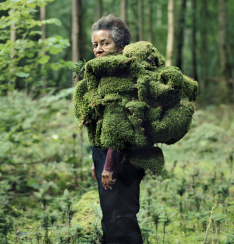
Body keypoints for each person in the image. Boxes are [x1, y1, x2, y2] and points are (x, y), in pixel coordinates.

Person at [90, 14, 145, 244]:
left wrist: (109, 164)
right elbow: (102, 124)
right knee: (111, 218)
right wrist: (97, 161)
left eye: (105, 43)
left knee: (121, 221)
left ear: (121, 48)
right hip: (106, 155)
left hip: (122, 158)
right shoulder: (104, 77)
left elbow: (120, 123)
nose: (99, 49)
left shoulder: (124, 77)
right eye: (95, 44)